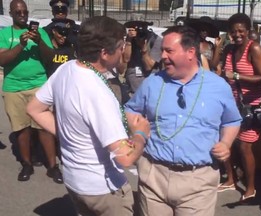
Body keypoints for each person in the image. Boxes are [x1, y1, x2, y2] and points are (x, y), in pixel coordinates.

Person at [27, 16, 150, 216]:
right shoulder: (97, 92)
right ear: (104, 53)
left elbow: (34, 108)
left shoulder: (66, 69)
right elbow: (125, 158)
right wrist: (140, 134)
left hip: (75, 181)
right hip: (103, 190)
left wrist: (72, 136)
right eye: (121, 46)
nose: (123, 50)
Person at [125, 25, 241, 216]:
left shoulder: (218, 86)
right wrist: (138, 135)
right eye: (162, 50)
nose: (162, 56)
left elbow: (231, 120)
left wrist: (226, 143)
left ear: (190, 52)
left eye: (169, 50)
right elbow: (131, 109)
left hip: (198, 182)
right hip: (154, 176)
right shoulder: (153, 83)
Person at [0, 0, 62, 183]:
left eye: (25, 12)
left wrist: (39, 41)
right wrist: (20, 45)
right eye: (18, 12)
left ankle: (52, 167)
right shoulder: (4, 34)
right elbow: (2, 60)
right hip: (13, 88)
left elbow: (51, 57)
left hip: (38, 86)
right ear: (11, 14)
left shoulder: (40, 32)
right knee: (22, 129)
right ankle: (26, 164)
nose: (22, 15)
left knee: (44, 127)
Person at [219, 13, 261, 201]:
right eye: (233, 31)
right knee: (227, 144)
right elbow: (221, 70)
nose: (237, 34)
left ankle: (250, 188)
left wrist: (238, 76)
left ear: (248, 31)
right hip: (231, 105)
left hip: (250, 105)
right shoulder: (230, 49)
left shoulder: (253, 48)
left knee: (245, 148)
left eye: (241, 30)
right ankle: (230, 180)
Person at [123, 21, 162, 93]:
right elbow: (125, 59)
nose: (139, 31)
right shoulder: (129, 40)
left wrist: (143, 48)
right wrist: (128, 41)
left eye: (142, 27)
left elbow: (148, 66)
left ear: (147, 27)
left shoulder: (156, 40)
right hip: (132, 87)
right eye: (135, 28)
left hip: (150, 87)